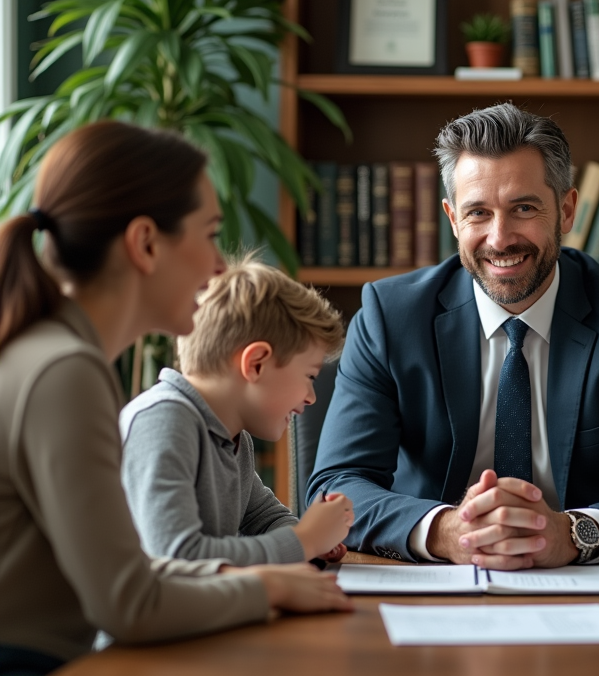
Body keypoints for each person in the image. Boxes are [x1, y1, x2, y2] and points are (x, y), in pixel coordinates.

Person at [0, 121, 350, 676]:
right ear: (145, 243)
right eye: (210, 233)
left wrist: (269, 572)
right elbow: (129, 603)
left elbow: (138, 575)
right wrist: (267, 589)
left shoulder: (56, 357)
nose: (218, 266)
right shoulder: (65, 373)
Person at [309, 102, 599, 568]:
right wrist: (443, 531)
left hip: (586, 584)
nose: (500, 238)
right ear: (453, 218)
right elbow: (335, 488)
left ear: (566, 209)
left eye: (523, 208)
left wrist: (573, 533)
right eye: (478, 213)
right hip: (426, 583)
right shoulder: (390, 317)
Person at [120, 258, 353, 567]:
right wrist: (304, 540)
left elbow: (266, 519)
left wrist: (311, 538)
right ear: (256, 363)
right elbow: (178, 557)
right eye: (310, 376)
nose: (311, 397)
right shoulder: (163, 421)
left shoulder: (231, 437)